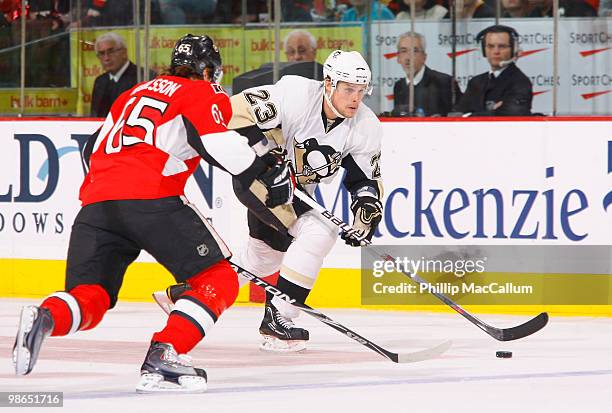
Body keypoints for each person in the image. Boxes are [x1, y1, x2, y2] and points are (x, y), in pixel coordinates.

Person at [12, 34, 295, 393]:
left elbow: (90, 149)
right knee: (218, 280)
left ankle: (46, 317)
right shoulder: (200, 92)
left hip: (97, 204)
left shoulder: (132, 94)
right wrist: (265, 170)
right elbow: (217, 144)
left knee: (91, 297)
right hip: (151, 198)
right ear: (209, 70)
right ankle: (166, 353)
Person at [156, 50, 384, 353]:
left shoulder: (365, 125)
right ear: (328, 84)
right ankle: (281, 318)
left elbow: (364, 179)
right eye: (348, 89)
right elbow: (230, 110)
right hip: (261, 179)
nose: (356, 98)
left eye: (361, 90)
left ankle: (189, 294)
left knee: (262, 258)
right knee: (320, 231)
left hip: (296, 191)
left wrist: (365, 213)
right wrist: (267, 156)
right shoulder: (295, 95)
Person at [453, 25, 532, 116]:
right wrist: (492, 111)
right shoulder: (476, 82)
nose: (496, 51)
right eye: (490, 46)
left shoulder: (520, 82)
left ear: (513, 50)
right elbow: (458, 114)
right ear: (483, 50)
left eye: (502, 46)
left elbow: (510, 116)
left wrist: (471, 115)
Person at [392, 32, 461, 117]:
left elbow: (458, 118)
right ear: (398, 58)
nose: (408, 57)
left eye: (415, 51)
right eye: (403, 51)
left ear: (424, 57)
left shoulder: (443, 82)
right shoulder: (399, 87)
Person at [91, 32, 155, 117]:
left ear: (124, 52)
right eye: (102, 54)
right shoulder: (100, 81)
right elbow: (95, 117)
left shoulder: (144, 77)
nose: (106, 58)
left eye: (111, 52)